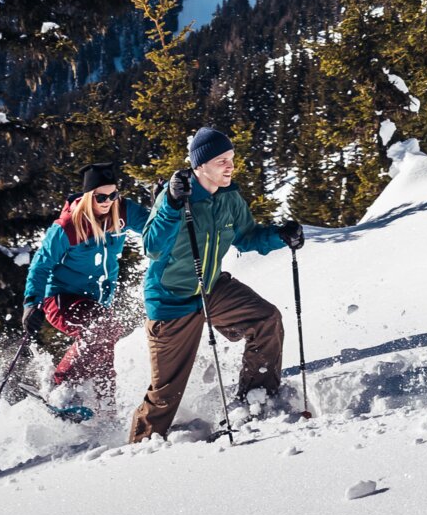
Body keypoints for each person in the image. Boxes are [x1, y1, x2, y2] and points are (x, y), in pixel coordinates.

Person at [127, 126, 303, 441]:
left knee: (266, 320)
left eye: (231, 158)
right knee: (166, 393)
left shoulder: (230, 198)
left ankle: (256, 399)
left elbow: (247, 237)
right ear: (200, 166)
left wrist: (280, 236)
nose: (229, 166)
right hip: (172, 299)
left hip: (211, 288)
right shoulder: (177, 197)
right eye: (221, 160)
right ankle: (140, 449)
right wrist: (169, 203)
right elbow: (152, 247)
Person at [22, 160, 148, 403]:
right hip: (61, 299)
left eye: (113, 195)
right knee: (103, 327)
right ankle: (58, 387)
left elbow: (155, 226)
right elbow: (41, 265)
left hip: (97, 303)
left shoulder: (121, 212)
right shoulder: (68, 227)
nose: (108, 202)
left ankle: (105, 416)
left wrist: (169, 204)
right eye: (101, 197)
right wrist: (31, 303)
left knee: (103, 353)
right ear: (89, 196)